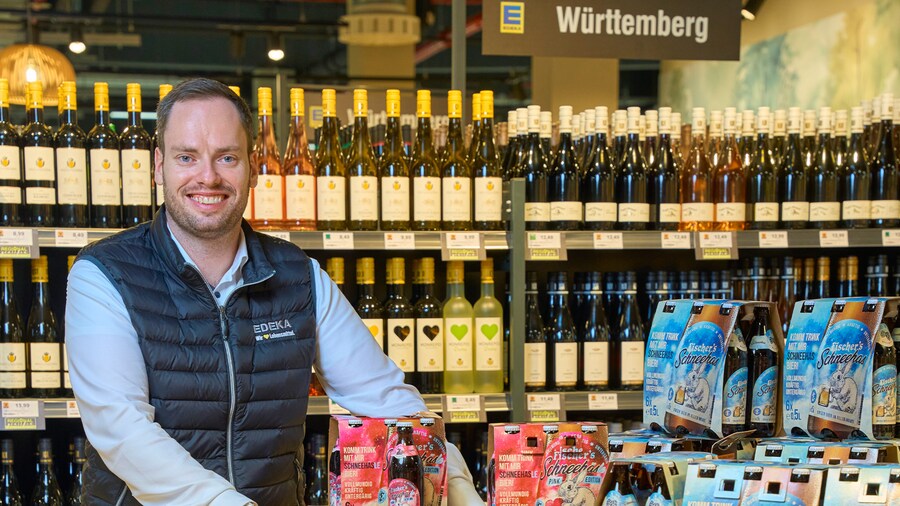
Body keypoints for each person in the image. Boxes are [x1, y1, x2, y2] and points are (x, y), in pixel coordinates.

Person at [66, 78, 483, 505]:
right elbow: (122, 427)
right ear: (159, 166)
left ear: (252, 167)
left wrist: (457, 486)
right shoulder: (105, 274)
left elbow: (386, 400)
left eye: (227, 157)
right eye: (186, 157)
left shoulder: (299, 276)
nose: (208, 177)